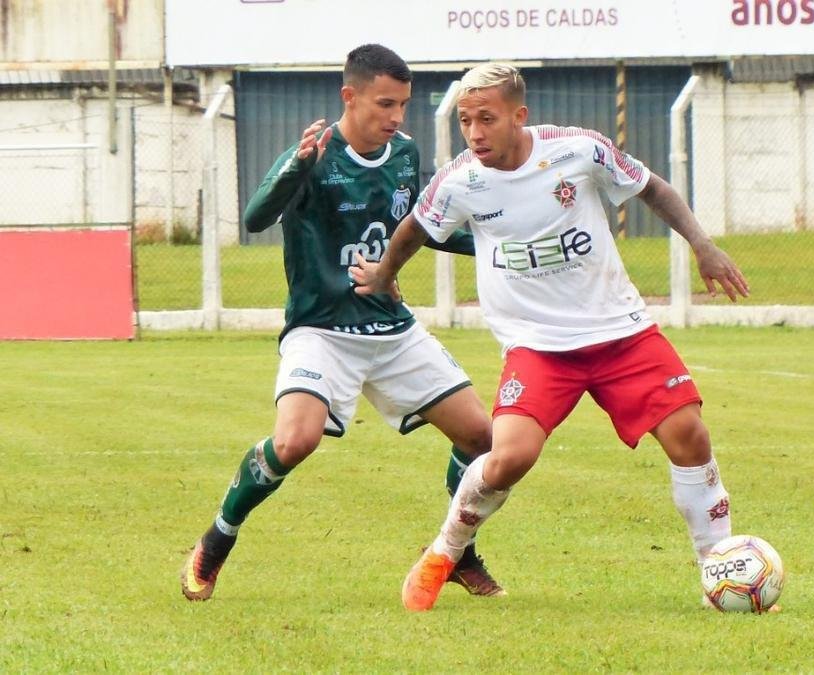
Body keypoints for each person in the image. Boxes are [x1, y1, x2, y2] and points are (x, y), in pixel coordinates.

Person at [351, 62, 750, 612]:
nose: (475, 132)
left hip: (620, 333)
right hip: (537, 347)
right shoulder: (461, 180)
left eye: (487, 119)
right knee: (510, 456)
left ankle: (720, 572)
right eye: (466, 121)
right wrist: (385, 273)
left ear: (520, 115)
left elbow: (652, 188)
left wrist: (702, 244)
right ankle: (445, 551)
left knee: (690, 435)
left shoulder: (577, 151)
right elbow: (416, 227)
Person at [180, 44, 505, 602]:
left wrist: (498, 241)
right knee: (296, 439)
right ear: (349, 97)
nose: (396, 117)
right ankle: (216, 540)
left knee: (484, 439)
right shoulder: (315, 153)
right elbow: (256, 216)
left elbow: (423, 227)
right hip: (322, 329)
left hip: (390, 328)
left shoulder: (403, 153)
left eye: (402, 104)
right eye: (385, 103)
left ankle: (456, 552)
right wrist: (295, 167)